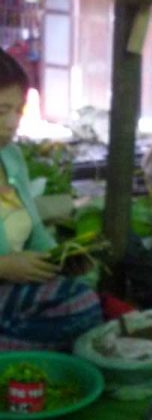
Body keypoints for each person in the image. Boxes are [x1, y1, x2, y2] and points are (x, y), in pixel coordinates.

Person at [0, 48, 103, 350]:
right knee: (80, 309)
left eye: (17, 111)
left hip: (11, 293)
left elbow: (36, 234)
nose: (11, 123)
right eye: (0, 110)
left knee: (83, 296)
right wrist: (4, 267)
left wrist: (60, 259)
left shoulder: (11, 157)